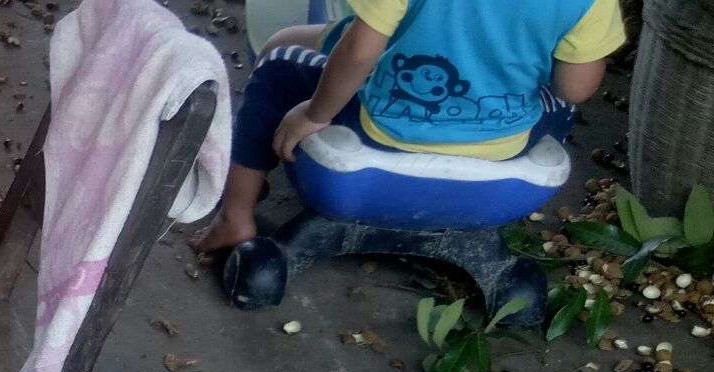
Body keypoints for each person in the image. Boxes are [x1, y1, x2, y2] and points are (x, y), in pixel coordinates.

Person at [193, 0, 625, 251]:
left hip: (379, 134)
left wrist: (314, 115)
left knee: (278, 63)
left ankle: (237, 215)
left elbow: (359, 52)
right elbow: (576, 88)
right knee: (557, 106)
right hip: (501, 152)